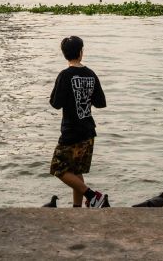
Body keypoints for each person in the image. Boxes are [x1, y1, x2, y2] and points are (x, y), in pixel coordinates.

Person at [48, 35, 108, 208]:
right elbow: (101, 103)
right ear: (81, 52)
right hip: (88, 131)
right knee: (76, 172)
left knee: (58, 169)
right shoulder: (90, 74)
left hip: (71, 131)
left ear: (64, 54)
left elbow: (56, 104)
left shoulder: (64, 75)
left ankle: (93, 196)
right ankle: (77, 209)